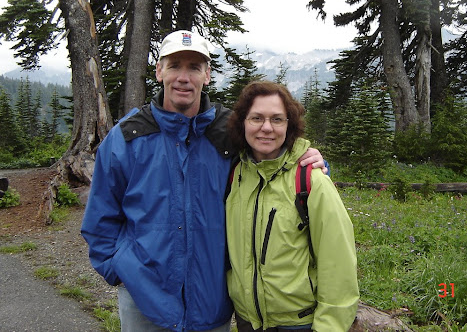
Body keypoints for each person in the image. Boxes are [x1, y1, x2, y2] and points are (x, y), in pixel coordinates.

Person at [81, 31, 326, 332]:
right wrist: (119, 270)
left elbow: (276, 159)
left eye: (194, 68)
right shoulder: (128, 137)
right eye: (175, 66)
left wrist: (311, 158)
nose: (184, 77)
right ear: (159, 71)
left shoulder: (230, 133)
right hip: (143, 299)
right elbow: (100, 218)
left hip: (211, 299)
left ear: (207, 75)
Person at [226, 80, 359, 332]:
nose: (266, 128)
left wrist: (329, 326)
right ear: (243, 122)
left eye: (277, 119)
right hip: (247, 321)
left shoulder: (310, 180)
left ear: (290, 125)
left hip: (299, 323)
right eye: (256, 118)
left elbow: (338, 261)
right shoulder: (234, 175)